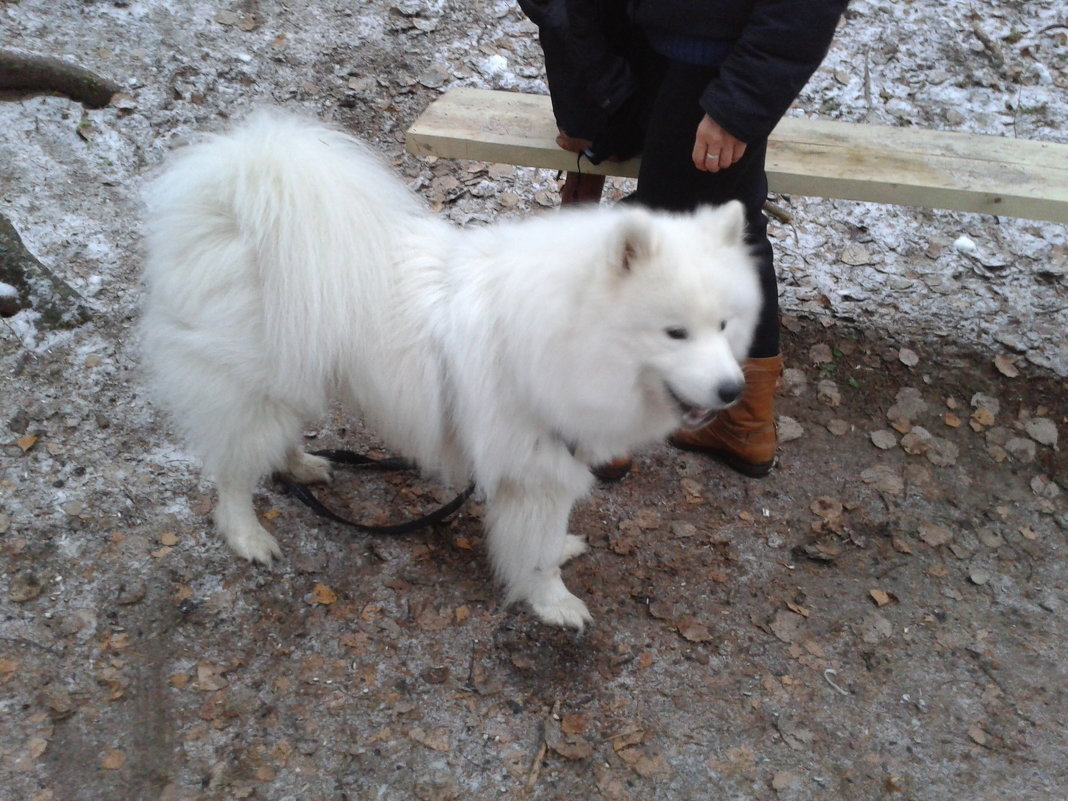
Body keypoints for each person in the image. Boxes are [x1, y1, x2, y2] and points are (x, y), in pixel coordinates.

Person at [519, 0, 849, 480]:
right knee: (695, 228)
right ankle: (739, 423)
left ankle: (613, 428)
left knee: (678, 237)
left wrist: (738, 106)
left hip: (712, 68)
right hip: (658, 53)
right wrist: (593, 105)